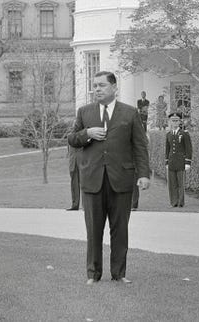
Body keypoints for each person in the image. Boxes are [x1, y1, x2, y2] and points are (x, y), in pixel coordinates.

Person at [67, 71, 150, 284]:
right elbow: (72, 139)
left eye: (102, 85)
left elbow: (140, 146)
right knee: (93, 230)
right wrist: (88, 134)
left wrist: (143, 175)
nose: (97, 89)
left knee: (120, 229)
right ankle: (93, 275)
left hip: (121, 180)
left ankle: (119, 274)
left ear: (114, 88)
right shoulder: (84, 112)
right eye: (95, 86)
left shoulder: (130, 114)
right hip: (92, 180)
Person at [165, 112, 192, 208]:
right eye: (173, 120)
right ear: (170, 122)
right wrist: (167, 162)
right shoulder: (168, 134)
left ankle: (180, 202)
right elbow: (167, 149)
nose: (175, 122)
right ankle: (173, 202)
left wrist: (188, 162)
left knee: (180, 183)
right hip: (172, 162)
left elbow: (189, 149)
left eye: (176, 120)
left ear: (180, 122)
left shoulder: (184, 134)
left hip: (181, 162)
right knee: (172, 184)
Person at [66, 144, 80, 211]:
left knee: (85, 186)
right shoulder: (69, 136)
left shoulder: (83, 135)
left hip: (83, 164)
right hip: (73, 164)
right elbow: (69, 152)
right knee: (74, 186)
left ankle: (86, 206)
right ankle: (75, 205)